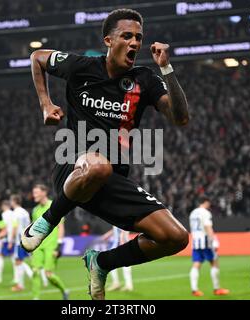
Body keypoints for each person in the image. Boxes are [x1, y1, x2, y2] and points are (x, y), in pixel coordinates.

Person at [22, 8, 190, 300]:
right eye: (127, 36)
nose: (135, 43)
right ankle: (49, 219)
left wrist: (167, 69)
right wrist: (46, 104)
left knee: (175, 237)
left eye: (139, 37)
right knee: (98, 166)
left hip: (111, 178)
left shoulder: (145, 79)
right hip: (72, 166)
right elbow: (37, 57)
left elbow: (180, 118)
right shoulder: (81, 67)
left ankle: (101, 263)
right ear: (109, 41)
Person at [31, 184, 69, 300]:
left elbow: (61, 227)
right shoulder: (35, 210)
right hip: (38, 245)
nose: (34, 195)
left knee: (49, 275)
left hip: (51, 246)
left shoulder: (54, 206)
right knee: (35, 271)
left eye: (36, 192)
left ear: (44, 192)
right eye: (34, 193)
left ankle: (64, 291)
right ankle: (35, 298)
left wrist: (59, 246)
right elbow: (34, 229)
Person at [188, 197, 229, 297]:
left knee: (196, 264)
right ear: (205, 202)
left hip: (196, 241)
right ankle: (217, 289)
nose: (209, 205)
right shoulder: (205, 212)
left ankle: (194, 290)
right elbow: (207, 227)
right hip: (205, 241)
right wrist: (214, 240)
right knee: (214, 263)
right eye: (208, 203)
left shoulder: (193, 213)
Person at [10, 194, 33, 292]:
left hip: (18, 240)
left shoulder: (15, 213)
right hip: (26, 238)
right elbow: (29, 225)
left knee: (18, 262)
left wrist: (11, 240)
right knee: (23, 261)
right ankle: (40, 278)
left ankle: (20, 285)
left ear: (14, 201)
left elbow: (15, 227)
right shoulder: (25, 212)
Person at [101, 226, 134, 292]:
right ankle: (123, 284)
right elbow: (115, 229)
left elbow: (124, 229)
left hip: (121, 243)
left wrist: (122, 240)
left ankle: (124, 284)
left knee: (112, 263)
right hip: (118, 243)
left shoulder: (122, 217)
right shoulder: (118, 219)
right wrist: (106, 235)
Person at [0, 200, 15, 284]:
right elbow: (15, 226)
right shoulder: (13, 213)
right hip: (12, 238)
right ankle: (17, 278)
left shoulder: (3, 215)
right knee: (15, 259)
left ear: (3, 206)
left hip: (4, 238)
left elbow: (2, 227)